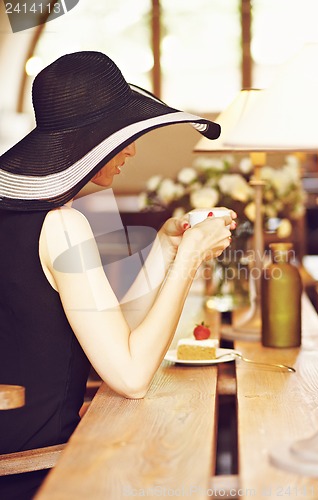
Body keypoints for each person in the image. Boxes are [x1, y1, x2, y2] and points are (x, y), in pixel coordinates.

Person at [0, 51, 235, 498]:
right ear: (86, 143)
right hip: (39, 475)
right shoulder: (62, 226)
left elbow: (115, 340)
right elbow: (129, 378)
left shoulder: (22, 217)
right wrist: (190, 257)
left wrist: (167, 248)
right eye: (117, 136)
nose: (131, 149)